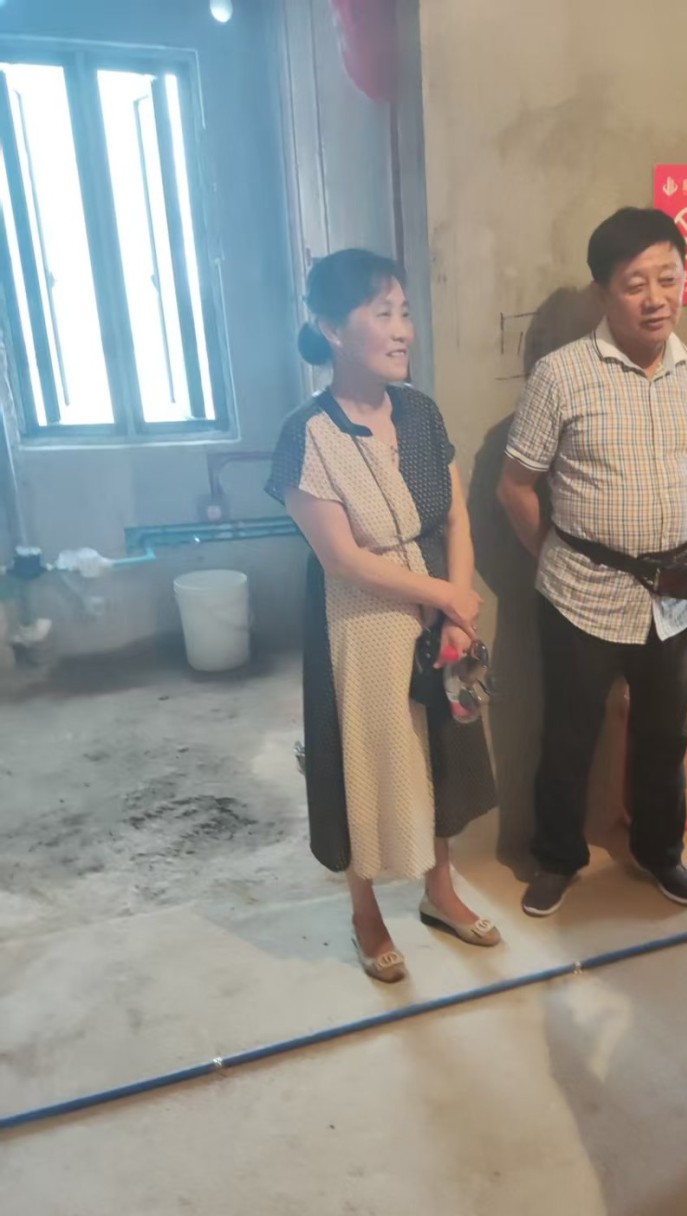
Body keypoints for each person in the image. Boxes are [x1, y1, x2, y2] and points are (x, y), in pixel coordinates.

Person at [266, 250, 499, 983]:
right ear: (333, 329)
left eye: (404, 312)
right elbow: (341, 558)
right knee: (366, 757)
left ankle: (439, 891)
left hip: (437, 607)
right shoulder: (306, 435)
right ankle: (365, 911)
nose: (403, 330)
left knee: (440, 751)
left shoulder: (421, 413)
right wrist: (445, 597)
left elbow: (455, 516)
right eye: (382, 313)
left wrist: (457, 607)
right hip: (357, 621)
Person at [498, 207, 687, 917]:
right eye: (635, 283)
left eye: (668, 279)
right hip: (580, 594)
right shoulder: (561, 375)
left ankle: (660, 851)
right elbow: (515, 486)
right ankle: (557, 858)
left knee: (665, 736)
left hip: (675, 599)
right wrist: (555, 559)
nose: (656, 298)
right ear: (603, 291)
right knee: (569, 735)